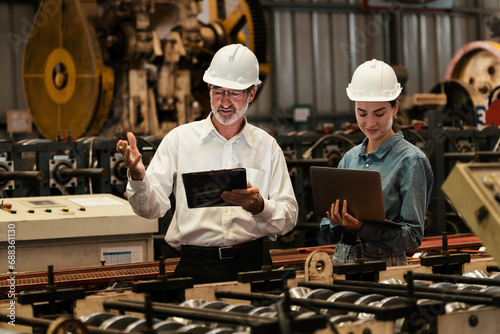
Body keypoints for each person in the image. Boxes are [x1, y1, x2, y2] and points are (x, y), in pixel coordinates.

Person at [116, 44, 298, 284]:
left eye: (233, 93)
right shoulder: (179, 140)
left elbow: (289, 217)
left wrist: (259, 206)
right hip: (196, 267)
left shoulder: (267, 147)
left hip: (253, 264)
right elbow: (151, 209)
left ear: (251, 94)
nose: (224, 102)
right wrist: (138, 177)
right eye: (217, 91)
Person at [320, 59, 434, 266]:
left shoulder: (411, 161)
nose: (370, 122)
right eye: (361, 113)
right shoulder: (350, 158)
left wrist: (361, 227)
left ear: (395, 109)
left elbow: (412, 236)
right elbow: (326, 227)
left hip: (384, 266)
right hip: (340, 260)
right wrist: (334, 220)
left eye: (379, 113)